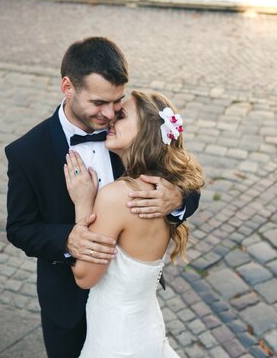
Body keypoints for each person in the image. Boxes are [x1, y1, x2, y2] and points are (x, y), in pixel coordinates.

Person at [5, 37, 200, 358]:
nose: (110, 113)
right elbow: (20, 228)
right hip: (66, 302)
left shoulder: (128, 137)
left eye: (117, 102)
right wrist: (69, 239)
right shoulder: (27, 152)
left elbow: (184, 178)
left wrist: (176, 200)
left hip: (121, 307)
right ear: (68, 87)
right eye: (98, 103)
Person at [65, 90, 205, 357]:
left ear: (145, 132)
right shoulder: (165, 189)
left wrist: (83, 204)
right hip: (145, 329)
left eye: (121, 116)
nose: (110, 121)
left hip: (117, 341)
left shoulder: (117, 196)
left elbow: (85, 277)